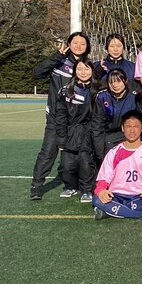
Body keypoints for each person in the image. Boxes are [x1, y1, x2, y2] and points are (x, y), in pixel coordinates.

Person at [30, 31, 91, 200]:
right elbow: (37, 73)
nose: (79, 46)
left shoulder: (87, 66)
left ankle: (78, 184)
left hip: (78, 121)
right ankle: (36, 186)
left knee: (81, 154)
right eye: (75, 42)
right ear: (69, 44)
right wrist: (57, 57)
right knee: (49, 151)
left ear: (87, 46)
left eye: (83, 43)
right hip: (56, 118)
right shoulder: (59, 62)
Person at [92, 110, 142, 220]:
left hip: (140, 196)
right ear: (122, 128)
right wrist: (101, 190)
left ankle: (111, 212)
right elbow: (104, 178)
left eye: (136, 126)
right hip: (117, 196)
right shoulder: (114, 152)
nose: (132, 130)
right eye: (128, 126)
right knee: (96, 199)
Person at [55, 59, 100, 203]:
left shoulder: (99, 90)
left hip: (89, 131)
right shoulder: (66, 90)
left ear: (92, 70)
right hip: (70, 131)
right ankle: (70, 186)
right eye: (79, 69)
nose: (83, 72)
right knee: (67, 164)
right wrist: (61, 138)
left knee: (86, 162)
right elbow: (60, 115)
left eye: (86, 69)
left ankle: (86, 190)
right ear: (74, 71)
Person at [91, 68, 137, 165]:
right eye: (111, 82)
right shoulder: (102, 97)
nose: (115, 85)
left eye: (118, 81)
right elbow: (97, 126)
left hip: (130, 136)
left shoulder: (134, 97)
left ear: (125, 81)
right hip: (109, 137)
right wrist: (100, 155)